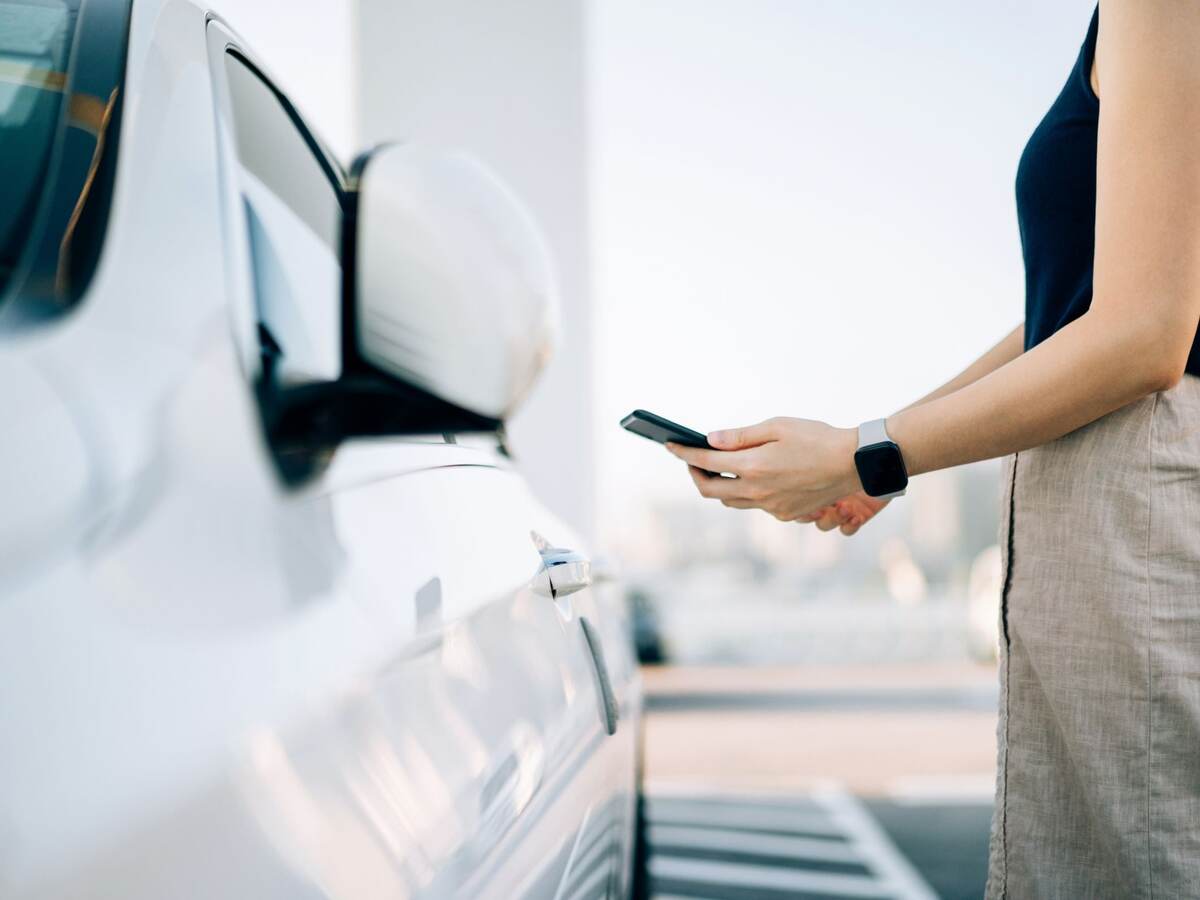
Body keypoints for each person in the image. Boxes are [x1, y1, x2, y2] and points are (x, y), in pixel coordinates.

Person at [663, 3, 1200, 897]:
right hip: (1128, 507)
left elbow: (1145, 331)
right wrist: (872, 453)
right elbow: (1070, 311)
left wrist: (869, 453)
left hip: (1140, 508)